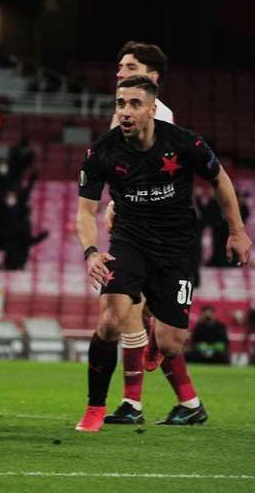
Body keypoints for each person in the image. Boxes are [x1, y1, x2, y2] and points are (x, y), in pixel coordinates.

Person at [75, 75, 251, 432]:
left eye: (135, 104)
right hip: (129, 243)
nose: (125, 111)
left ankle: (158, 337)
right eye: (120, 103)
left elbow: (220, 179)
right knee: (111, 319)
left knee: (172, 343)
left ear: (153, 109)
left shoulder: (183, 142)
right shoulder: (102, 152)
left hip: (176, 250)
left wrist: (237, 231)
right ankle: (95, 408)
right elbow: (85, 211)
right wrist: (92, 251)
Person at [103, 42, 212, 427]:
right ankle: (184, 402)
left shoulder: (155, 117)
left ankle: (135, 403)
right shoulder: (127, 112)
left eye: (129, 65)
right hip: (137, 230)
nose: (119, 71)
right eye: (119, 65)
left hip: (160, 239)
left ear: (152, 78)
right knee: (134, 317)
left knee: (135, 319)